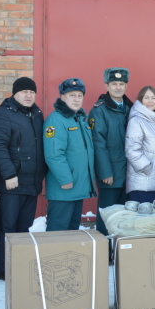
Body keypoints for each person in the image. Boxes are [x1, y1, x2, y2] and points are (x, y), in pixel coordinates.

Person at [0, 77, 45, 281]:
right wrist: (9, 174)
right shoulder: (3, 115)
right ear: (15, 94)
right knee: (8, 227)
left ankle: (20, 264)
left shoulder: (36, 114)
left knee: (24, 226)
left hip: (31, 182)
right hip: (12, 182)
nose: (28, 95)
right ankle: (4, 269)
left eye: (32, 92)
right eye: (24, 92)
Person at [43, 78, 97, 232]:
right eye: (72, 95)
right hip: (64, 188)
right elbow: (54, 154)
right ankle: (52, 257)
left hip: (77, 187)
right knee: (58, 231)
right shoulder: (56, 120)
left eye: (79, 95)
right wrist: (65, 179)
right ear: (62, 97)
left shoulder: (79, 119)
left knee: (72, 231)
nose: (76, 99)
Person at [90, 68, 132, 241]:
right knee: (107, 214)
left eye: (121, 84)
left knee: (124, 215)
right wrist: (105, 172)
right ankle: (104, 250)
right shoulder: (99, 111)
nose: (118, 87)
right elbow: (98, 144)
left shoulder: (131, 108)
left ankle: (120, 249)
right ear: (106, 85)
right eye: (114, 84)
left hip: (128, 172)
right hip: (111, 174)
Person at [124, 85, 155, 203]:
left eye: (153, 98)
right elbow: (132, 150)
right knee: (143, 218)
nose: (150, 101)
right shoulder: (137, 120)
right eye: (146, 98)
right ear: (140, 101)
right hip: (143, 180)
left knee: (152, 217)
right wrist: (147, 168)